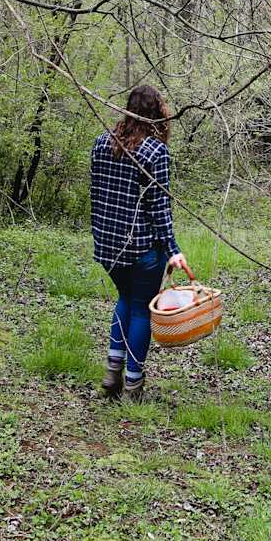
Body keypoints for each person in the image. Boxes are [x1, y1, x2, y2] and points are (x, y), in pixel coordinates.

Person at [89, 84, 193, 400]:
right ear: (157, 113)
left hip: (107, 246)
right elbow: (160, 207)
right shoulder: (155, 152)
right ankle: (133, 386)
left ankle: (112, 374)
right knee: (139, 310)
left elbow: (96, 197)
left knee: (125, 299)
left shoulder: (100, 144)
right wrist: (173, 251)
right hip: (141, 250)